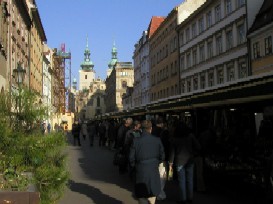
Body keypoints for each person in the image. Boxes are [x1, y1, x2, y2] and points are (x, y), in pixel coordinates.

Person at [129, 120, 165, 204]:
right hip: (153, 170)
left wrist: (135, 166)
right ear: (151, 128)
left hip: (141, 171)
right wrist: (156, 163)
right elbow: (162, 156)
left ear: (141, 129)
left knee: (142, 196)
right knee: (152, 194)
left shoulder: (136, 141)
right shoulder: (157, 140)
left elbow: (131, 158)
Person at [169, 121, 201, 204]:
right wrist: (193, 153)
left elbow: (172, 152)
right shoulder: (190, 136)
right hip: (190, 160)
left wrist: (170, 163)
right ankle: (190, 198)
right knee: (190, 180)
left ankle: (183, 199)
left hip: (179, 161)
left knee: (181, 181)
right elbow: (198, 146)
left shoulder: (175, 138)